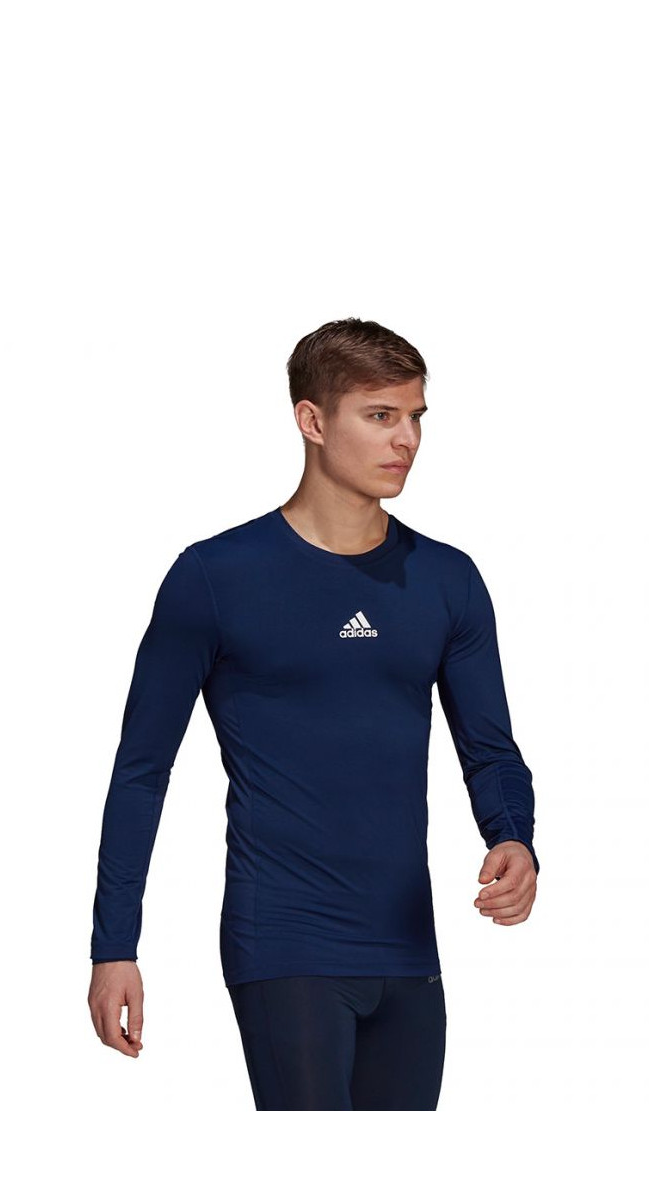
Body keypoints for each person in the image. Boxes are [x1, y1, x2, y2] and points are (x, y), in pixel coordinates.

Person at [87, 317, 539, 1109]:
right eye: (380, 415)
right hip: (283, 944)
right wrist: (114, 946)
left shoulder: (447, 580)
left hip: (408, 950)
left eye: (415, 416)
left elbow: (490, 750)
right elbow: (142, 770)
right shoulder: (217, 576)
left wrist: (513, 836)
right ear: (312, 420)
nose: (406, 439)